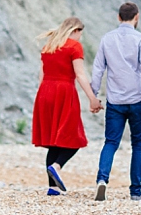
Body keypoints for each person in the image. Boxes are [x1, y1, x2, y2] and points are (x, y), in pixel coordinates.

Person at [90, 2, 141, 201]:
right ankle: (136, 191)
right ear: (136, 17)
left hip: (115, 100)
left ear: (119, 17)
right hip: (137, 99)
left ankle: (102, 180)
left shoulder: (107, 39)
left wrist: (94, 96)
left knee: (111, 142)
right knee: (138, 145)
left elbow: (98, 70)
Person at [32, 17, 103, 196]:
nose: (80, 37)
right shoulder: (74, 47)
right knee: (75, 137)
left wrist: (44, 94)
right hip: (64, 91)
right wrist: (92, 98)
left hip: (45, 92)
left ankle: (53, 188)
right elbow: (80, 75)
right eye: (80, 33)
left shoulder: (49, 46)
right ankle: (56, 166)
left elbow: (40, 76)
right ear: (76, 30)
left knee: (53, 141)